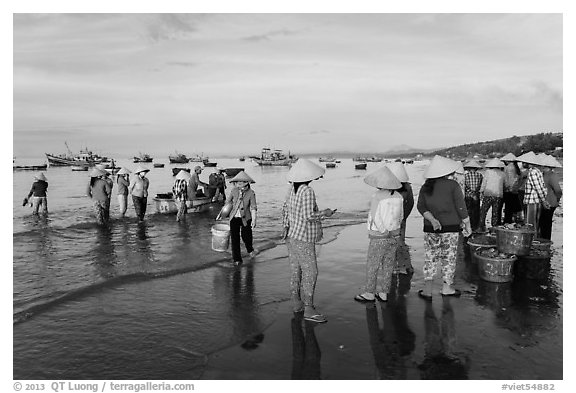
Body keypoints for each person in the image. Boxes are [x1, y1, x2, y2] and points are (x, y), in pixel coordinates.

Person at [282, 159, 335, 324]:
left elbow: (285, 210)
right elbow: (308, 216)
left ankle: (297, 303)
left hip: (292, 236)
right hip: (303, 237)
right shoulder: (307, 191)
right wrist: (324, 213)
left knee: (296, 270)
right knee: (311, 271)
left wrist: (285, 228)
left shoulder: (292, 189)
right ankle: (309, 308)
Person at [417, 155, 471, 300]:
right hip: (451, 228)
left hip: (430, 228)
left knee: (430, 257)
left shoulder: (425, 187)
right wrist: (468, 225)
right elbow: (461, 207)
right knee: (449, 258)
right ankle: (447, 289)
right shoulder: (453, 185)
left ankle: (427, 291)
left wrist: (433, 220)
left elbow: (421, 207)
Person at [354, 167, 403, 303]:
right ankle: (384, 292)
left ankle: (370, 293)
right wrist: (394, 231)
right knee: (388, 265)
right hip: (394, 234)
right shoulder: (399, 196)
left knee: (373, 265)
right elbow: (401, 216)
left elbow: (376, 217)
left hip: (379, 236)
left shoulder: (377, 196)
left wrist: (383, 231)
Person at [219, 171, 258, 266]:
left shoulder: (251, 193)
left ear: (247, 182)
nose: (239, 183)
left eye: (242, 181)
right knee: (235, 239)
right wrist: (221, 213)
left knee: (247, 237)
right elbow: (227, 203)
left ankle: (250, 250)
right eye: (237, 181)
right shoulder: (234, 191)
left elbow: (253, 207)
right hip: (234, 218)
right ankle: (237, 259)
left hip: (246, 218)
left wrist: (254, 219)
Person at [386, 161, 414, 274]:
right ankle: (404, 266)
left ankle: (398, 267)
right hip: (400, 219)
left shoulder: (388, 188)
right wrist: (404, 218)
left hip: (391, 221)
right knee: (400, 242)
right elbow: (410, 204)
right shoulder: (407, 187)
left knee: (393, 243)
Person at [516, 151, 548, 234]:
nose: (522, 163)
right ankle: (533, 240)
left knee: (531, 224)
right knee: (533, 223)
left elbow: (538, 187)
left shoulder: (533, 172)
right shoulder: (535, 171)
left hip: (533, 201)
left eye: (524, 162)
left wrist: (543, 201)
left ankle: (532, 241)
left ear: (528, 163)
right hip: (534, 200)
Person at [538, 154, 562, 240]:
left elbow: (557, 190)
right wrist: (558, 199)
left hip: (546, 202)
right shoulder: (550, 175)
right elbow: (558, 191)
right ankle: (545, 239)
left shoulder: (546, 175)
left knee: (544, 222)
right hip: (550, 201)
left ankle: (544, 239)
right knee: (546, 222)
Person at [478, 158, 505, 231]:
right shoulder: (502, 173)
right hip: (498, 194)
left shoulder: (488, 172)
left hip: (488, 193)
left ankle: (481, 226)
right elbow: (504, 184)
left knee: (483, 211)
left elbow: (484, 183)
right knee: (495, 212)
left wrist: (481, 191)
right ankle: (494, 228)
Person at [501, 153, 523, 224]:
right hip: (515, 190)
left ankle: (507, 221)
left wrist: (507, 187)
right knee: (515, 207)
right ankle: (516, 220)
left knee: (508, 208)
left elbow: (507, 179)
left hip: (509, 189)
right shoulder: (516, 168)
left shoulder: (508, 168)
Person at [463, 159, 483, 232]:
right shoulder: (480, 175)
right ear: (476, 168)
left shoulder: (466, 176)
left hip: (468, 195)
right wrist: (475, 193)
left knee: (469, 211)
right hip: (476, 196)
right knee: (476, 211)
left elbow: (465, 187)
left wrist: (471, 192)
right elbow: (481, 186)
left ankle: (469, 226)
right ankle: (476, 226)